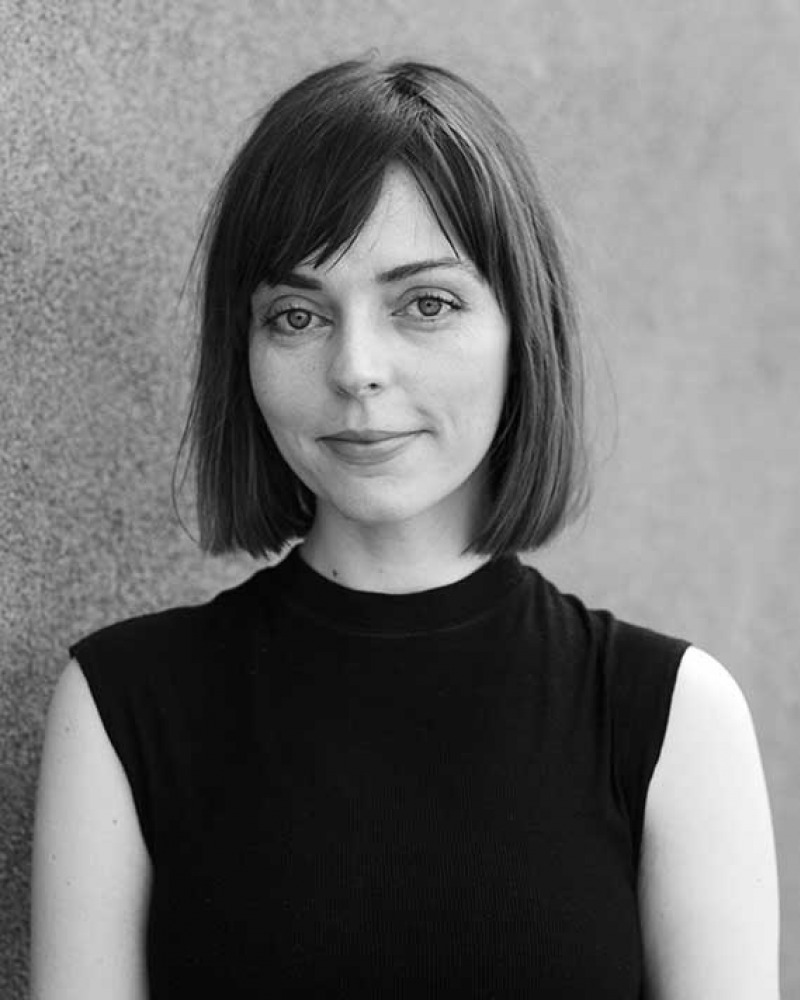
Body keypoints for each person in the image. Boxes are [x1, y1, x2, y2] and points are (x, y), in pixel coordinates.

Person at [30, 56, 780, 999]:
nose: (356, 369)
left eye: (425, 303)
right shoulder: (121, 704)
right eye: (297, 315)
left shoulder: (672, 715)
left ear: (522, 330)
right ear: (245, 349)